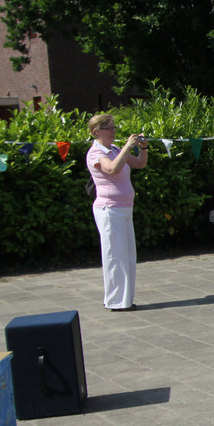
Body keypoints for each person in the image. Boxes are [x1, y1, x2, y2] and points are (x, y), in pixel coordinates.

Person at [86, 113, 148, 311]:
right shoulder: (96, 153)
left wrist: (143, 148)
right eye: (109, 128)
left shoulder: (113, 149)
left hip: (124, 208)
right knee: (114, 256)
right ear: (97, 131)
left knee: (127, 255)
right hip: (109, 209)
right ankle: (115, 301)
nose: (113, 131)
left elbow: (139, 163)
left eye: (114, 127)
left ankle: (124, 300)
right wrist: (128, 146)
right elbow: (112, 169)